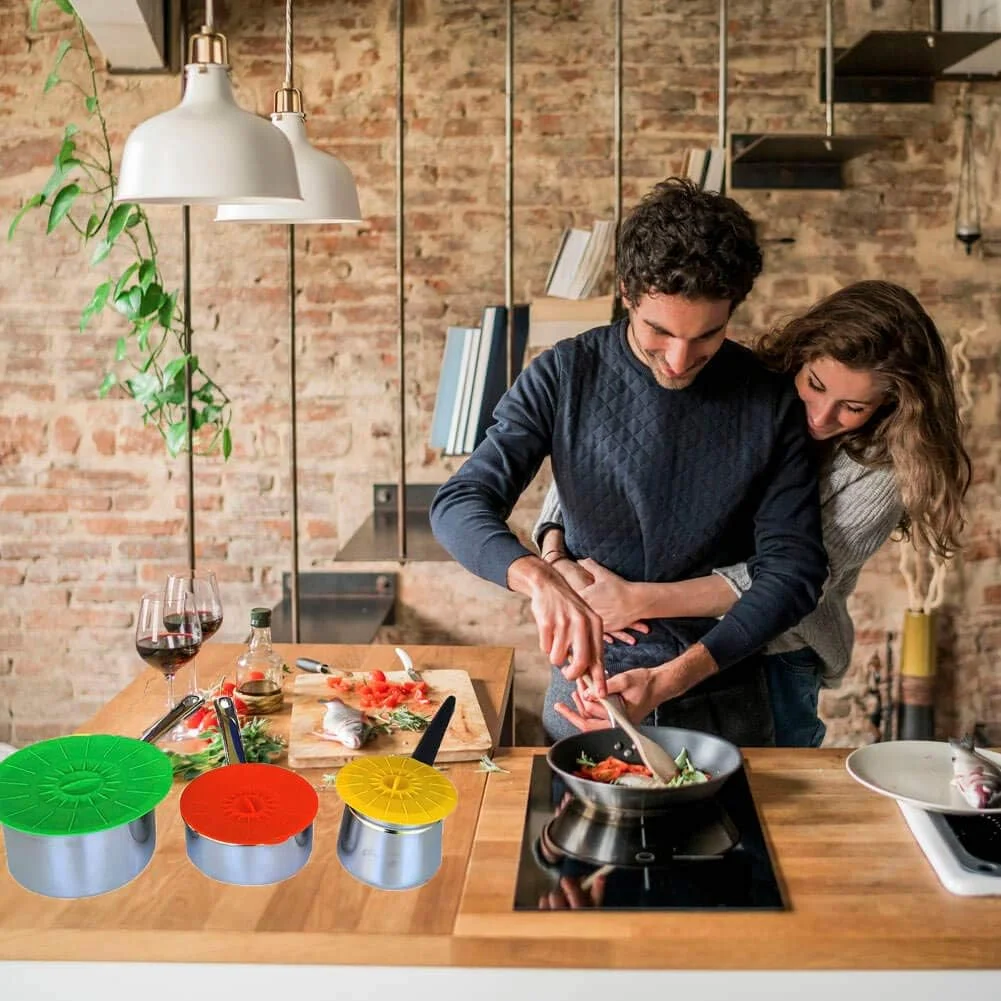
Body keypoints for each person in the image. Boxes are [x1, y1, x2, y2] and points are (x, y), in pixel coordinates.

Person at [429, 177, 828, 747]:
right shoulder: (565, 374)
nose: (679, 359)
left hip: (725, 682)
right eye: (658, 332)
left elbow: (793, 572)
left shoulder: (769, 399)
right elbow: (459, 503)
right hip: (590, 686)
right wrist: (540, 577)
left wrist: (672, 679)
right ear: (626, 292)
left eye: (707, 336)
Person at [537, 280, 973, 746]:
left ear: (892, 405)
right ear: (800, 357)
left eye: (853, 407)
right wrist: (554, 553)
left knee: (763, 798)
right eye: (815, 385)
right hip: (655, 629)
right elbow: (599, 466)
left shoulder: (883, 474)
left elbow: (790, 580)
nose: (820, 416)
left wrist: (638, 599)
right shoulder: (746, 390)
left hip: (778, 654)